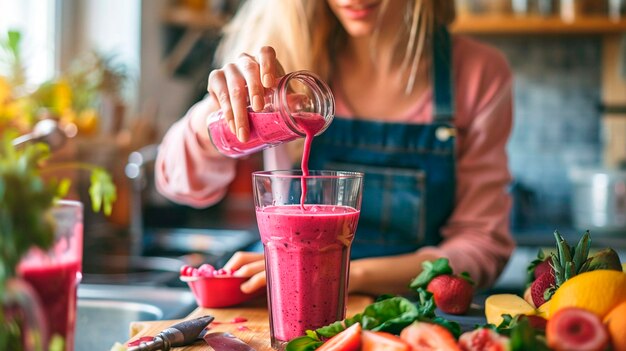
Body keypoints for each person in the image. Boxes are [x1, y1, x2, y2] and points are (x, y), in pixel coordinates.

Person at [155, 0, 515, 296]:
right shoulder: (287, 64)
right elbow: (179, 184)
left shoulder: (476, 74)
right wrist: (213, 117)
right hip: (283, 304)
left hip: (409, 313)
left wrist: (343, 275)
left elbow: (481, 248)